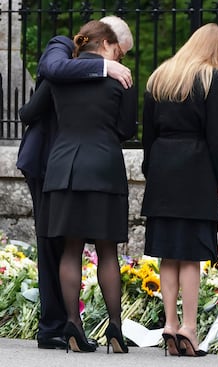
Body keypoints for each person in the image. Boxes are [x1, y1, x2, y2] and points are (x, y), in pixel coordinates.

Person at [19, 20, 137, 353]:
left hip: (63, 167)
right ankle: (115, 328)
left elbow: (28, 112)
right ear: (105, 45)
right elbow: (126, 129)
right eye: (117, 52)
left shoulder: (60, 76)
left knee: (70, 250)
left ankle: (72, 323)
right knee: (107, 250)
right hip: (103, 167)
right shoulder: (122, 80)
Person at [141, 23, 218, 357]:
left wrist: (151, 170)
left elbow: (147, 134)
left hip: (163, 168)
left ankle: (169, 324)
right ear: (214, 49)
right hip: (195, 170)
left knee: (168, 252)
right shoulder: (209, 78)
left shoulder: (160, 76)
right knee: (191, 254)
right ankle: (189, 329)